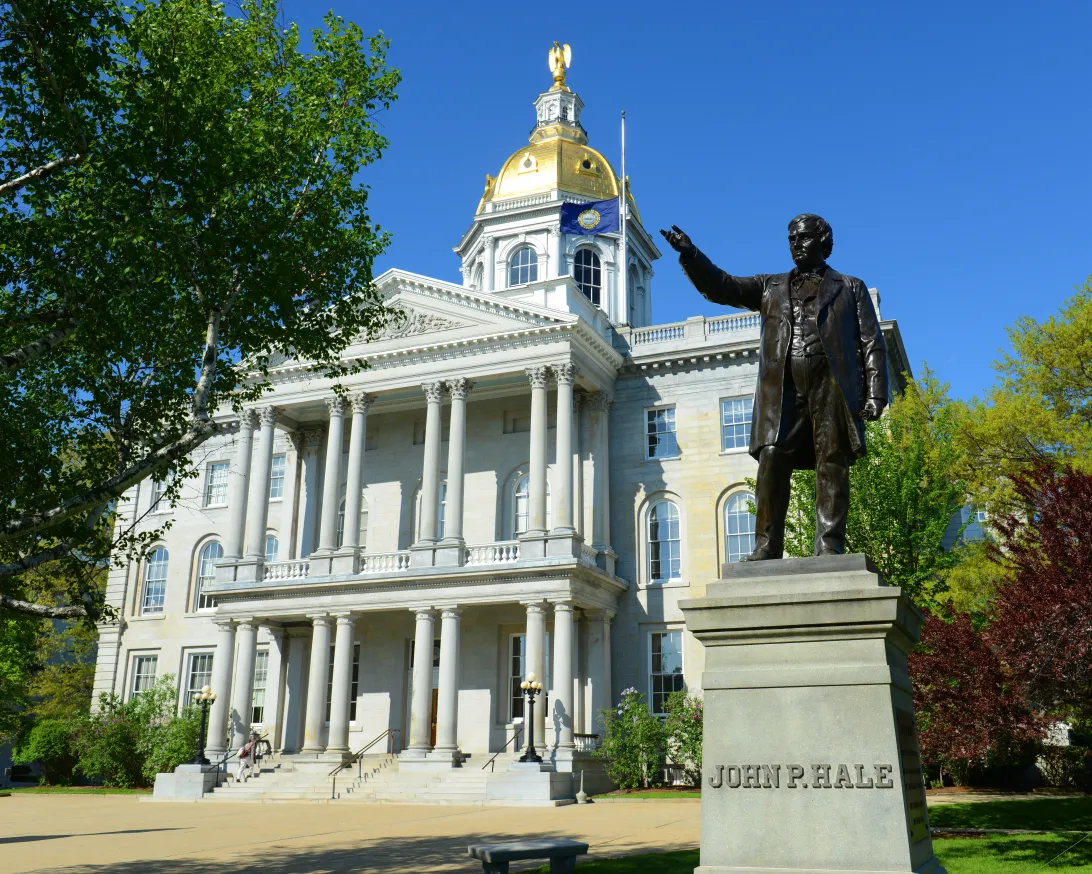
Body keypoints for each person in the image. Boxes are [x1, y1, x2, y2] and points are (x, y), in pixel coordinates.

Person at [660, 215, 887, 558]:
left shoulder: (850, 287)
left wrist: (875, 393)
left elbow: (872, 343)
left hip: (832, 386)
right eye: (791, 238)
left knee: (832, 462)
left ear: (824, 242)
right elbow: (723, 286)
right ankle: (767, 546)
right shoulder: (771, 286)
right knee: (771, 458)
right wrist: (692, 255)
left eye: (804, 238)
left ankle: (829, 545)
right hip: (782, 389)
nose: (795, 244)